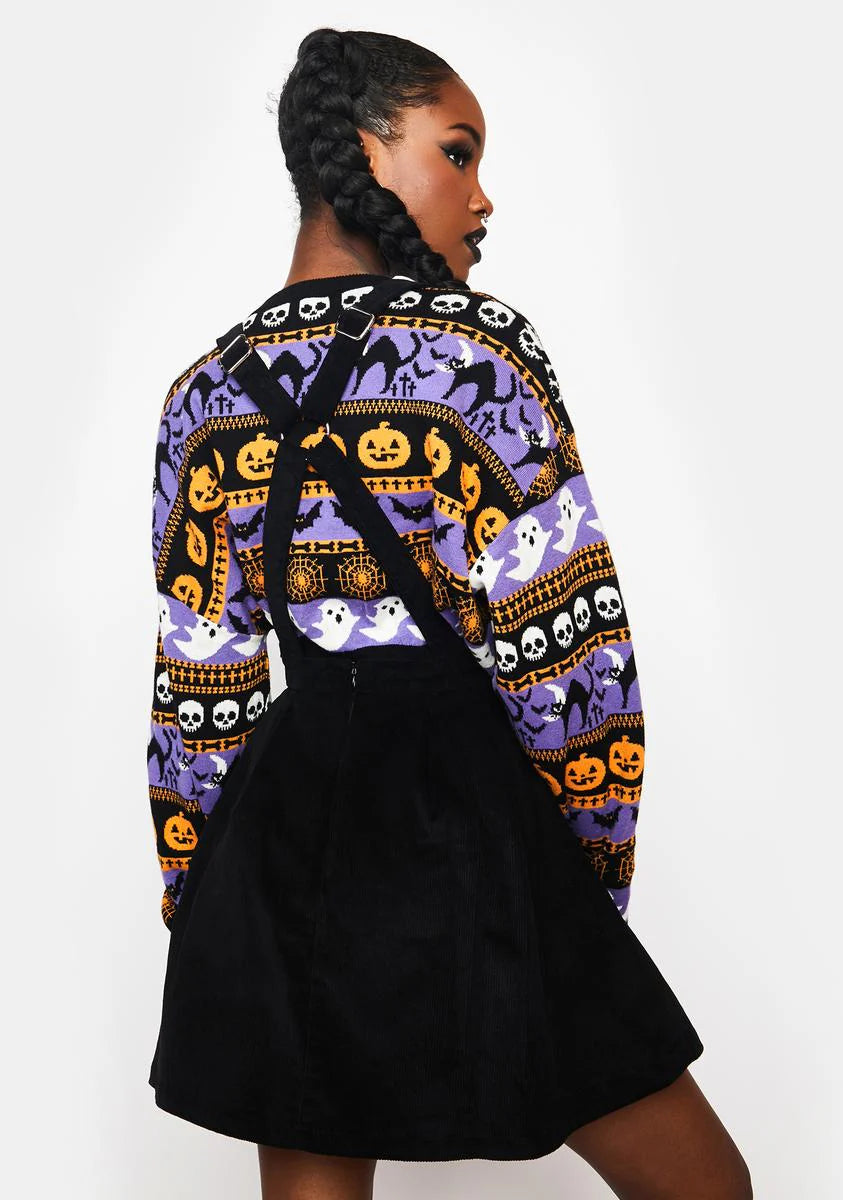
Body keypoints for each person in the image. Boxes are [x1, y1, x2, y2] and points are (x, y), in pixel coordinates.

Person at [146, 26, 753, 1200]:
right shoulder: (475, 353)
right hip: (466, 806)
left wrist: (200, 894)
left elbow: (198, 676)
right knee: (707, 1188)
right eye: (458, 153)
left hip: (282, 839)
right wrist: (589, 877)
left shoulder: (202, 395)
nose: (483, 197)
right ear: (364, 150)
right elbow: (571, 649)